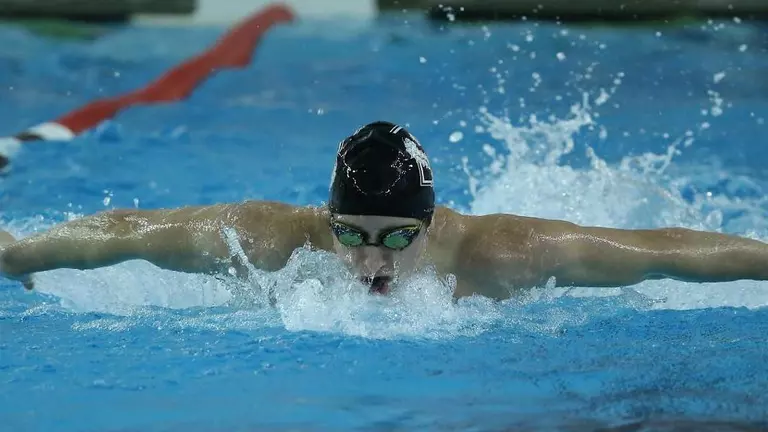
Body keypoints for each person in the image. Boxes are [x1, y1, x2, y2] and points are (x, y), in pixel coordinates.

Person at [2, 121, 768, 299]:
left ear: (432, 222)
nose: (369, 262)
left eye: (395, 236)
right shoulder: (269, 238)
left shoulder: (505, 253)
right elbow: (128, 231)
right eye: (352, 235)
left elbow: (665, 247)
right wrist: (19, 254)